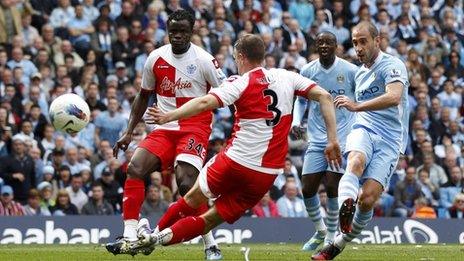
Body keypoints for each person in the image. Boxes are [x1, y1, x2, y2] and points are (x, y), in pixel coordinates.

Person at [124, 34, 340, 256]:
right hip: (266, 173)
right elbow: (324, 96)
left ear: (240, 57)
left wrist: (169, 116)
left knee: (191, 199)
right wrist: (333, 140)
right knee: (208, 221)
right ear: (263, 56)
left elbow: (206, 101)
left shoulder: (239, 82)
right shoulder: (288, 77)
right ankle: (155, 238)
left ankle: (152, 234)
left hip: (235, 161)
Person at [106, 10, 225, 259]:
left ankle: (210, 243)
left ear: (191, 31)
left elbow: (226, 94)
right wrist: (129, 132)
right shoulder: (155, 58)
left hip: (195, 127)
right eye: (173, 32)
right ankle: (129, 234)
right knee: (135, 167)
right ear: (167, 32)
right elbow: (143, 95)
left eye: (183, 31)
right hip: (164, 127)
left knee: (185, 183)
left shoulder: (204, 60)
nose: (177, 36)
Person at [312, 21, 409, 260]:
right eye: (355, 43)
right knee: (355, 161)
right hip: (364, 127)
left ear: (378, 40)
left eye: (363, 41)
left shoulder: (392, 65)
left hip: (390, 139)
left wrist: (357, 105)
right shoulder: (360, 72)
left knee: (367, 199)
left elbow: (394, 97)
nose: (358, 47)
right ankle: (346, 203)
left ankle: (338, 243)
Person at [292, 31, 357, 250]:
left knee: (332, 186)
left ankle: (330, 235)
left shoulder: (350, 70)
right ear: (316, 46)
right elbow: (301, 101)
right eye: (320, 42)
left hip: (342, 138)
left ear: (336, 45)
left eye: (328, 42)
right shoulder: (308, 70)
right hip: (316, 137)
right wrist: (296, 121)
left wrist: (352, 104)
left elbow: (362, 97)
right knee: (308, 188)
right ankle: (320, 231)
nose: (324, 46)